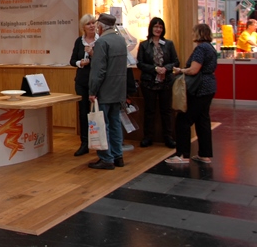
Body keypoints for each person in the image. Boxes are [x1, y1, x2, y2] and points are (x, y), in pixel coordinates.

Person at [167, 24, 218, 164]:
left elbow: (194, 69)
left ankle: (182, 154)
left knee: (183, 120)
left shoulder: (201, 48)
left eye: (193, 32)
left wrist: (180, 70)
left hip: (199, 88)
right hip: (209, 87)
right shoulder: (210, 48)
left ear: (198, 33)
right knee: (202, 120)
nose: (192, 34)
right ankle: (204, 154)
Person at [88, 13, 128, 170]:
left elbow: (98, 70)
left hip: (104, 91)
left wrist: (92, 90)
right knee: (115, 123)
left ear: (101, 26)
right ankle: (118, 156)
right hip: (118, 90)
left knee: (102, 125)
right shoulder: (121, 40)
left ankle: (106, 158)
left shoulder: (102, 42)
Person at [136, 17, 179, 149]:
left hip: (165, 82)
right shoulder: (144, 45)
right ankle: (147, 137)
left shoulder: (169, 44)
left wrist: (166, 69)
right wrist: (155, 69)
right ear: (151, 28)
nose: (158, 29)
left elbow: (176, 62)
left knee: (166, 110)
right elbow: (140, 64)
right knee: (149, 110)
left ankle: (168, 137)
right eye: (156, 26)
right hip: (149, 82)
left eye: (160, 27)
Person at [69, 14, 99, 156]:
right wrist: (80, 63)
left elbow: (103, 61)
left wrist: (92, 54)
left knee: (98, 112)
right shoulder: (79, 41)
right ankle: (84, 143)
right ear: (83, 27)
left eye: (93, 23)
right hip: (82, 81)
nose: (92, 26)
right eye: (88, 24)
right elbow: (72, 60)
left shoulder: (101, 40)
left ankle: (100, 143)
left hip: (97, 81)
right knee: (83, 113)